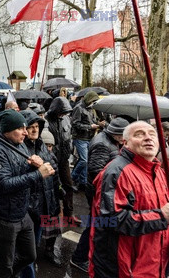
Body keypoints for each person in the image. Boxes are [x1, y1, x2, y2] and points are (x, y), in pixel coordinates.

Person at [89, 121, 169, 278]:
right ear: (125, 143)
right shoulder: (116, 172)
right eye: (139, 134)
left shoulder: (158, 172)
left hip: (154, 264)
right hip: (124, 268)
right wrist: (161, 216)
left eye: (152, 134)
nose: (148, 138)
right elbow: (111, 220)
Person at [0, 109, 55, 278]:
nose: (26, 132)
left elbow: (20, 170)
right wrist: (38, 174)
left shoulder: (20, 143)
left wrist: (33, 164)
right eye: (21, 128)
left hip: (22, 213)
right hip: (4, 217)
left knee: (29, 255)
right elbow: (4, 184)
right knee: (4, 263)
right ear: (7, 131)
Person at [71, 117, 129, 273]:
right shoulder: (102, 144)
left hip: (102, 191)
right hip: (99, 191)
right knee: (95, 224)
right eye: (123, 136)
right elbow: (97, 171)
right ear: (116, 134)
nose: (124, 140)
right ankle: (79, 257)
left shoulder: (110, 141)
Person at [19, 110, 62, 274]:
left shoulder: (43, 146)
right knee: (27, 252)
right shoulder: (20, 148)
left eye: (37, 126)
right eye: (30, 127)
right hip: (28, 209)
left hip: (44, 204)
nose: (34, 130)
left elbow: (54, 172)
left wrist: (57, 198)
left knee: (33, 248)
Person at [45, 97, 77, 221]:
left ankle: (69, 213)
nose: (63, 114)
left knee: (68, 185)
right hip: (51, 161)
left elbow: (69, 136)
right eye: (61, 112)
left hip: (64, 160)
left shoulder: (66, 119)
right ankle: (53, 214)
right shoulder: (46, 121)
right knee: (53, 188)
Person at [71, 91, 105, 191]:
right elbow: (75, 124)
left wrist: (99, 123)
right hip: (80, 138)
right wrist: (90, 127)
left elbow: (92, 121)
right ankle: (73, 176)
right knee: (84, 160)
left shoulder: (91, 109)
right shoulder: (78, 108)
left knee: (85, 160)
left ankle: (83, 181)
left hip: (89, 137)